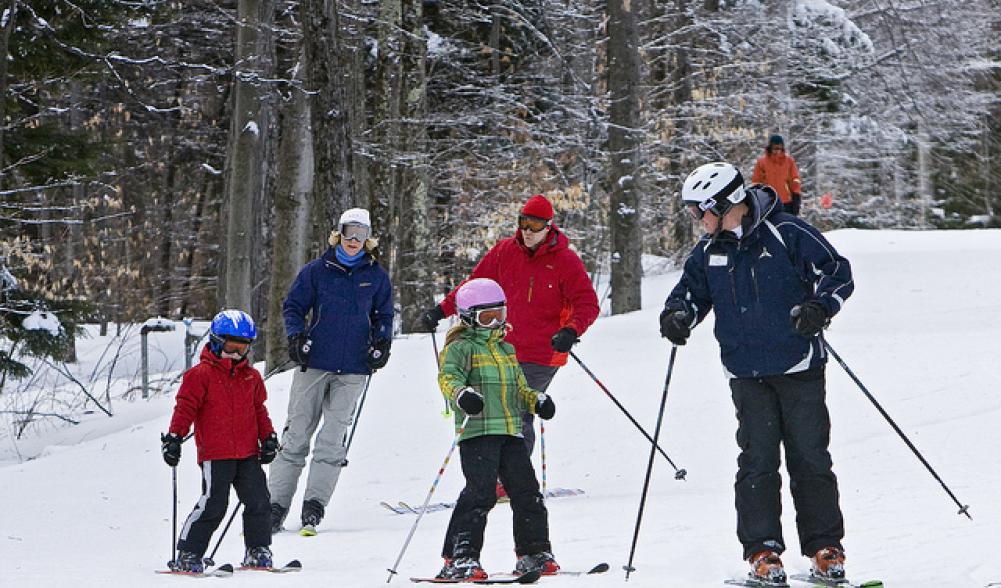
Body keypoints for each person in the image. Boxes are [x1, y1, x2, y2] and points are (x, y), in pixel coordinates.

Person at [659, 162, 854, 585]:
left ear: (725, 203)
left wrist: (820, 308)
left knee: (810, 458)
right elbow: (690, 294)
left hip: (798, 366)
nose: (697, 219)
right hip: (747, 373)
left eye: (700, 210)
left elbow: (837, 273)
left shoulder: (786, 231)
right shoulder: (710, 249)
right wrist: (677, 316)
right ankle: (763, 550)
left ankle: (825, 548)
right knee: (757, 463)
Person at [421, 194, 599, 499]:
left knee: (518, 409)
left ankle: (509, 479)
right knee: (492, 409)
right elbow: (473, 287)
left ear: (549, 227)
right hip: (501, 348)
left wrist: (570, 331)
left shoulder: (565, 261)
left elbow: (588, 303)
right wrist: (441, 310)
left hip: (543, 351)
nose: (527, 230)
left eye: (535, 224)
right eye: (523, 223)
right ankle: (493, 476)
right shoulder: (505, 251)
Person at [268, 207, 394, 535]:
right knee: (296, 435)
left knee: (333, 439)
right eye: (349, 233)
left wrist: (381, 344)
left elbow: (384, 316)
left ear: (368, 239)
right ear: (338, 233)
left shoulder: (376, 276)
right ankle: (274, 506)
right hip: (315, 363)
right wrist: (296, 336)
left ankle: (314, 506)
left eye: (361, 235)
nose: (354, 241)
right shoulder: (317, 271)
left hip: (354, 367)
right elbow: (293, 307)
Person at [434, 278, 559, 581]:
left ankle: (534, 552)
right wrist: (463, 395)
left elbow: (519, 389)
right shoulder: (460, 348)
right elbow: (448, 379)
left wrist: (536, 400)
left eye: (499, 315)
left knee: (527, 492)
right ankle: (459, 557)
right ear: (467, 318)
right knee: (480, 494)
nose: (494, 323)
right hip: (478, 432)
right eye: (485, 317)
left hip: (510, 431)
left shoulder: (506, 350)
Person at [160, 310, 279, 572]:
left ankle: (257, 548)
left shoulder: (252, 377)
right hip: (216, 453)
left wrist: (268, 437)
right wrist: (174, 438)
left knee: (259, 499)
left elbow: (259, 410)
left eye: (242, 348)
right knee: (214, 503)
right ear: (215, 342)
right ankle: (189, 553)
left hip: (248, 452)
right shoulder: (200, 375)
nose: (236, 355)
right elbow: (185, 408)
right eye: (230, 347)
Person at [752, 134, 803, 216]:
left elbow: (795, 180)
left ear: (782, 148)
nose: (777, 151)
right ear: (770, 148)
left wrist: (796, 197)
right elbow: (756, 182)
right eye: (774, 148)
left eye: (779, 148)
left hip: (787, 202)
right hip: (769, 203)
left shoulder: (789, 161)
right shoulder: (762, 163)